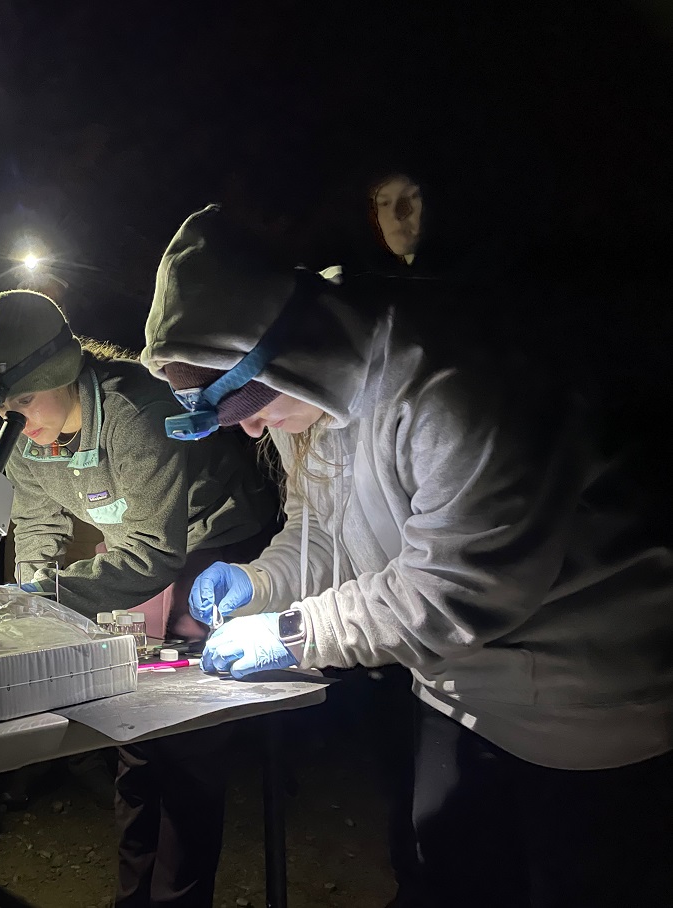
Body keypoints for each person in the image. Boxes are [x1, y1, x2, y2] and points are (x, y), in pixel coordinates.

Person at [141, 203, 673, 908]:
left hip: (592, 710)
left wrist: (294, 633)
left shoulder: (454, 379)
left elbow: (459, 588)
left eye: (249, 410)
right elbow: (326, 533)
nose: (254, 431)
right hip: (458, 695)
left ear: (286, 354)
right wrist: (257, 582)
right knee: (438, 880)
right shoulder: (319, 401)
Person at [0, 289, 280, 908]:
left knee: (186, 734)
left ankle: (178, 899)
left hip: (218, 542)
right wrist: (35, 602)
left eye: (25, 400)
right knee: (132, 729)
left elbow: (155, 554)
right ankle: (133, 896)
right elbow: (37, 530)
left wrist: (45, 594)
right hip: (142, 547)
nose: (18, 420)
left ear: (63, 375)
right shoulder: (23, 438)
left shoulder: (138, 409)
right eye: (6, 407)